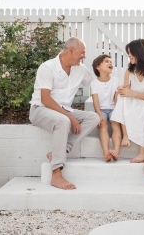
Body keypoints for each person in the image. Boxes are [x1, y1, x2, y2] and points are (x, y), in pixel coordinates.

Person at [29, 37, 100, 190]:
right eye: (83, 53)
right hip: (40, 109)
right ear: (71, 50)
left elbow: (95, 83)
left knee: (93, 117)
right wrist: (70, 116)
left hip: (64, 110)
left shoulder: (81, 69)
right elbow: (45, 99)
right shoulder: (47, 67)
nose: (84, 56)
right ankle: (56, 174)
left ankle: (58, 151)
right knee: (64, 121)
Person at [110, 39, 144, 163]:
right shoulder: (129, 71)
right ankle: (125, 135)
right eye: (128, 53)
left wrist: (132, 93)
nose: (129, 56)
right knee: (122, 97)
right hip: (133, 104)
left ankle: (142, 151)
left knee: (139, 107)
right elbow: (125, 93)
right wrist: (120, 90)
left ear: (140, 52)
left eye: (131, 53)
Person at [90, 54, 120, 162]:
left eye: (111, 61)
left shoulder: (116, 81)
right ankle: (106, 152)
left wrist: (118, 112)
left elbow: (117, 99)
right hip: (101, 109)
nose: (110, 63)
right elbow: (95, 100)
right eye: (107, 61)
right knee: (102, 125)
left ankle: (116, 151)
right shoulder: (94, 83)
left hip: (113, 109)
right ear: (98, 67)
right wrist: (99, 114)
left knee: (116, 124)